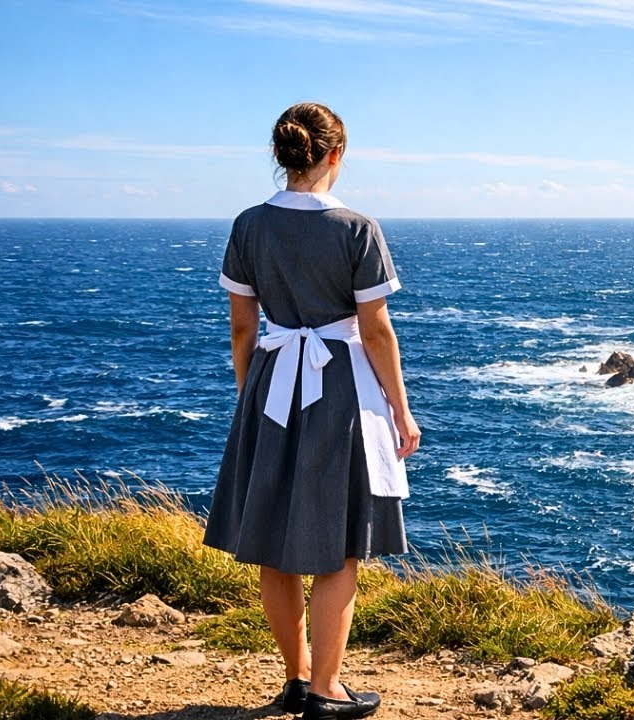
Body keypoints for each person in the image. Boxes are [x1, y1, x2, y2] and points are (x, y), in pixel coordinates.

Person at [203, 101, 421, 720]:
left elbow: (243, 327)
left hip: (272, 384)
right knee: (342, 544)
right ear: (335, 154)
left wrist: (250, 394)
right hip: (341, 389)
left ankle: (297, 678)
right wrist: (402, 413)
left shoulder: (249, 225)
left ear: (282, 156)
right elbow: (376, 332)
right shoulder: (357, 229)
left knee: (273, 542)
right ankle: (327, 689)